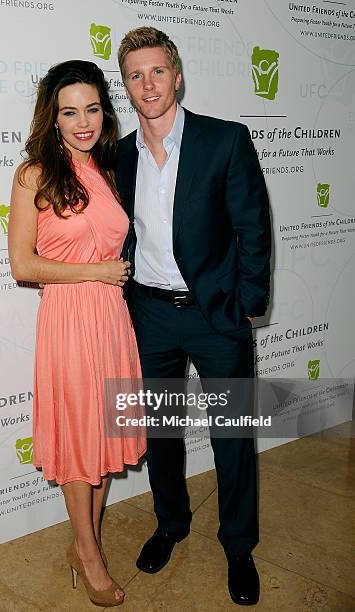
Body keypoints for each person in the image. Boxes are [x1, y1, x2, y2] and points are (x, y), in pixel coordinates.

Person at [116, 28, 271, 606]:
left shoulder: (225, 140)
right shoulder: (118, 155)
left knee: (233, 436)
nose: (147, 84)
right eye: (135, 75)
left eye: (157, 71)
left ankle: (238, 546)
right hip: (150, 315)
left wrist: (247, 305)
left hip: (216, 317)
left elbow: (253, 229)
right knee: (161, 432)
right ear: (126, 86)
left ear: (176, 75)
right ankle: (171, 523)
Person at [8, 60, 146, 608]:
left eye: (92, 108)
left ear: (104, 112)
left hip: (112, 318)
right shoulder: (34, 174)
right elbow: (22, 263)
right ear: (53, 117)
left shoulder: (111, 170)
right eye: (70, 111)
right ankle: (88, 553)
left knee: (106, 434)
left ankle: (82, 542)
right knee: (78, 434)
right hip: (68, 318)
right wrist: (94, 271)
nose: (83, 121)